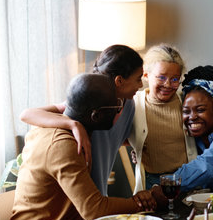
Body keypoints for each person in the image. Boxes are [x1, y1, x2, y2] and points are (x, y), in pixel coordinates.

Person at [8, 73, 166, 220]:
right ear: (96, 115)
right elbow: (94, 209)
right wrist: (143, 201)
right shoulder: (63, 145)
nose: (120, 112)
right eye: (117, 108)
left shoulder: (55, 124)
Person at [128, 44, 213, 191]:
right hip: (151, 180)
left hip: (188, 177)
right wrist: (137, 149)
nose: (167, 84)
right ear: (146, 75)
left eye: (174, 79)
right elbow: (121, 135)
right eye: (161, 77)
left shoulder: (184, 101)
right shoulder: (135, 106)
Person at [19, 45, 143, 195]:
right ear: (119, 81)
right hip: (76, 196)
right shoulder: (88, 104)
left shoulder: (129, 106)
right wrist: (73, 124)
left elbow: (120, 138)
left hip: (100, 194)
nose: (141, 85)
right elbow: (27, 114)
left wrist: (139, 150)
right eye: (138, 79)